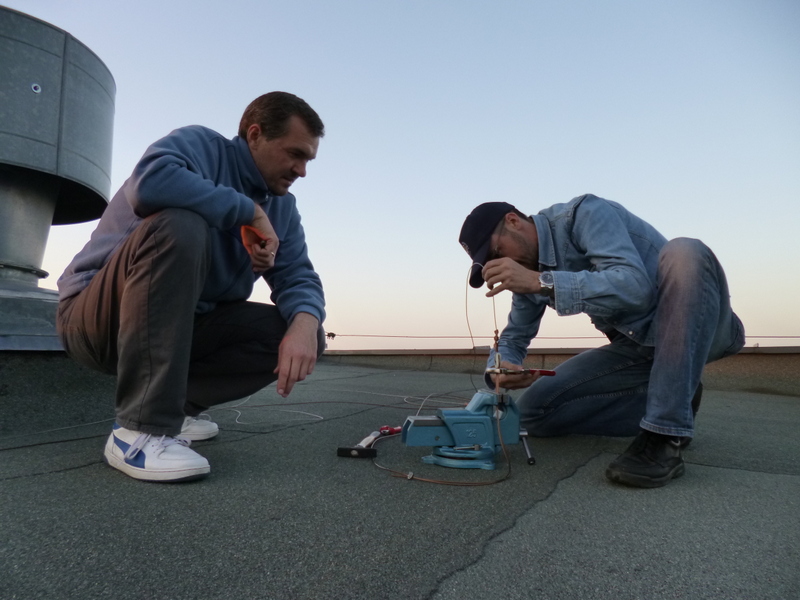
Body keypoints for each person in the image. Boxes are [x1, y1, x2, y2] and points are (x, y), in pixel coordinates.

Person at [56, 91, 327, 483]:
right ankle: (137, 432)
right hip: (95, 321)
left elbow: (298, 275)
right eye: (294, 154)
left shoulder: (283, 208)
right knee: (180, 225)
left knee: (302, 330)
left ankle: (174, 408)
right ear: (255, 135)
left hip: (181, 332)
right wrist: (248, 211)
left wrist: (305, 322)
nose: (301, 170)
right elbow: (149, 183)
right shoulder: (200, 147)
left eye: (308, 160)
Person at [458, 194, 745, 488]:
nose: (502, 264)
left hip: (699, 330)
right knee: (533, 413)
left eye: (497, 252)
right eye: (492, 262)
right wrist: (501, 366)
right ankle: (677, 398)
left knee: (685, 251)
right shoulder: (529, 268)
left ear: (513, 221)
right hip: (636, 346)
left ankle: (665, 432)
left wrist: (542, 282)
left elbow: (635, 288)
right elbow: (515, 336)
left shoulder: (584, 215)